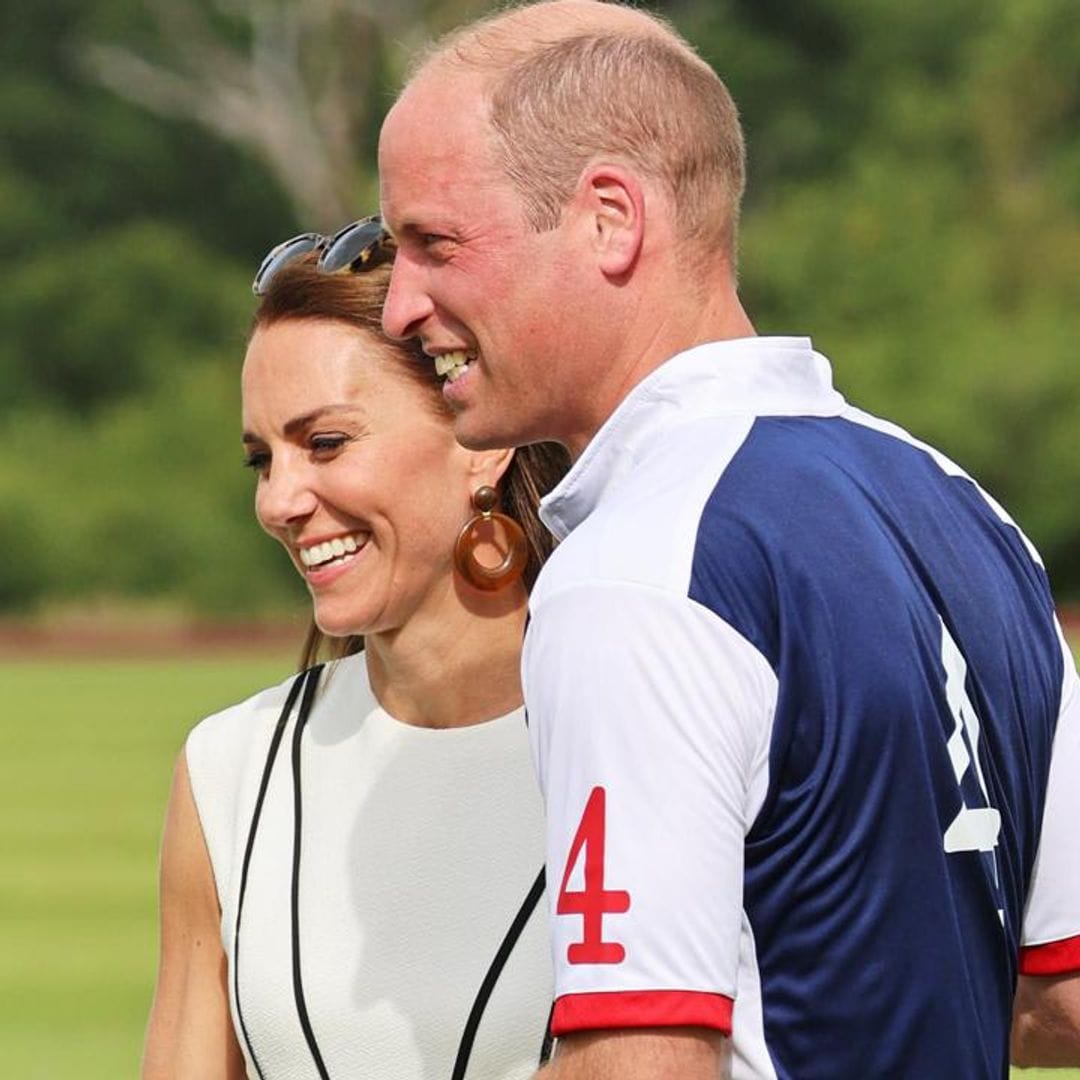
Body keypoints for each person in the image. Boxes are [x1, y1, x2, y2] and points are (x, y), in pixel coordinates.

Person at [376, 2, 1080, 1077]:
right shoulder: (965, 507)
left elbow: (642, 1057)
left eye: (434, 245)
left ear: (611, 217)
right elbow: (1057, 995)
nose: (397, 309)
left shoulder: (640, 569)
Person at [141, 217, 570, 1080]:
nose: (279, 502)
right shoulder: (230, 770)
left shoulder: (645, 734)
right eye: (263, 459)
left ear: (479, 446)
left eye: (325, 443)